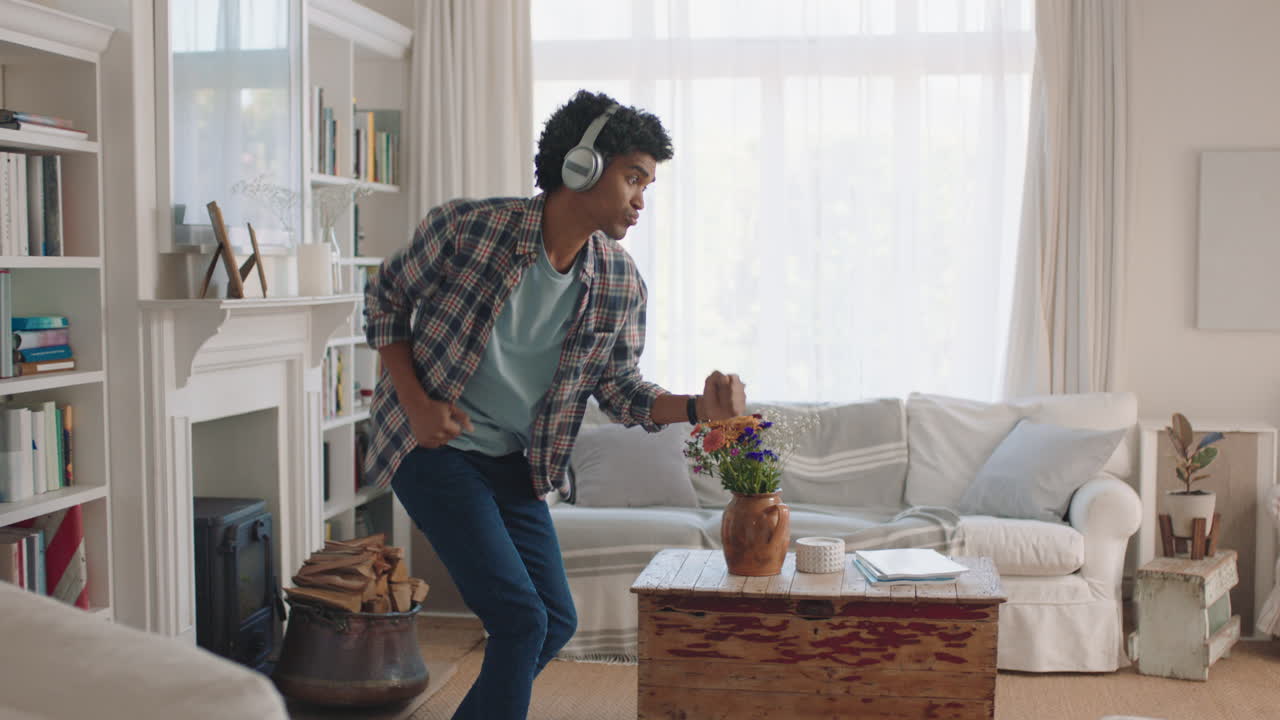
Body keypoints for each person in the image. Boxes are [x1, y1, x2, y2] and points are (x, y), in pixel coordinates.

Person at [362, 89, 747, 720]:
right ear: (582, 166)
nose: (643, 200)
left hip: (516, 464)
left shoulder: (619, 281)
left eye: (648, 184)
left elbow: (622, 391)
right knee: (519, 618)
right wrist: (416, 400)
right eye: (633, 179)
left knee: (555, 620)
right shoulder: (470, 229)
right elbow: (383, 299)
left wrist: (698, 409)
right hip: (432, 448)